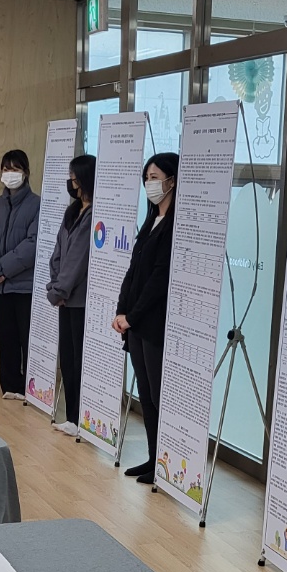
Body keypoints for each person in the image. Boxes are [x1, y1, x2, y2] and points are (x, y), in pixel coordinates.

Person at [112, 152, 179, 482]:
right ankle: (153, 459)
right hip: (135, 324)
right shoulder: (150, 220)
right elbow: (133, 271)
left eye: (155, 178)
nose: (150, 184)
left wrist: (133, 316)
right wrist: (121, 311)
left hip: (153, 325)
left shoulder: (174, 226)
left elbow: (158, 280)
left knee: (157, 394)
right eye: (147, 178)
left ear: (172, 181)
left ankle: (163, 463)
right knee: (146, 395)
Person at [0, 149, 41, 399]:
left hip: (25, 286)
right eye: (5, 169)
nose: (10, 174)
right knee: (7, 339)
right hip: (0, 287)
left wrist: (3, 269)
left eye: (15, 169)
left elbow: (33, 243)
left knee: (28, 338)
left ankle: (31, 388)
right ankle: (11, 386)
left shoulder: (37, 205)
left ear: (26, 172)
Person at [47, 154, 96, 435]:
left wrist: (60, 290)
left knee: (79, 360)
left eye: (75, 178)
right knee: (66, 358)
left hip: (78, 300)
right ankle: (71, 415)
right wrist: (55, 287)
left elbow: (78, 259)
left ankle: (80, 418)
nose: (71, 183)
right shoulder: (72, 211)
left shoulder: (93, 216)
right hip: (64, 298)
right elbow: (58, 253)